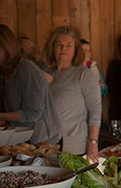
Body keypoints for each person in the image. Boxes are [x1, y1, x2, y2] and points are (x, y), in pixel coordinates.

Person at [0, 23, 61, 144]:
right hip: (23, 137)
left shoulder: (26, 70)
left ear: (4, 46)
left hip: (44, 140)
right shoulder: (4, 71)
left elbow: (31, 114)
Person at [42, 27, 101, 158]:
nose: (64, 49)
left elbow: (95, 110)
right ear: (52, 47)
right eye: (59, 45)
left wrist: (93, 143)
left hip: (74, 146)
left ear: (75, 50)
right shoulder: (47, 73)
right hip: (46, 145)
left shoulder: (83, 74)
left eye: (69, 45)